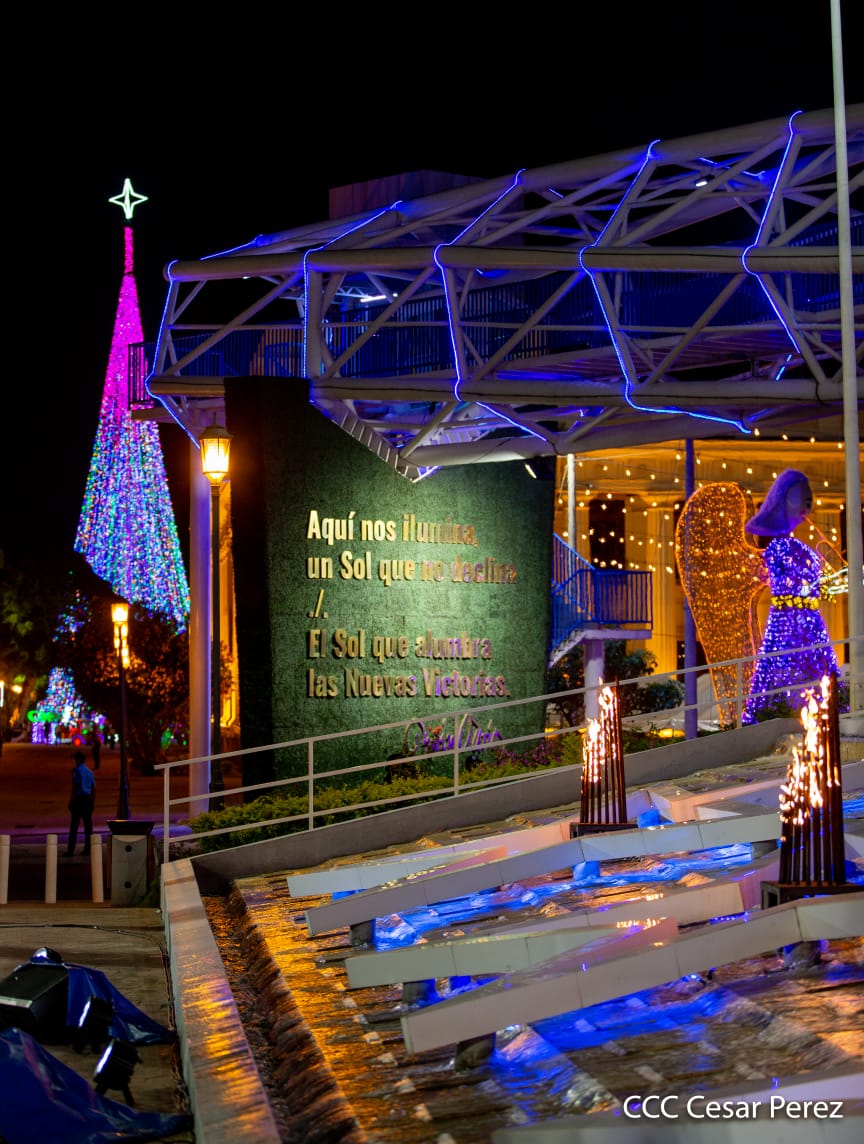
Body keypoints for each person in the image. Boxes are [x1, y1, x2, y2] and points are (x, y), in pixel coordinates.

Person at [742, 469, 839, 723]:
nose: (808, 504)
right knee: (784, 664)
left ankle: (827, 706)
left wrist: (825, 582)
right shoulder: (777, 547)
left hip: (811, 619)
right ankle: (777, 710)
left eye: (809, 500)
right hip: (787, 618)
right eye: (801, 498)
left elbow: (813, 578)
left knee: (818, 666)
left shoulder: (800, 546)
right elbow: (785, 578)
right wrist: (811, 583)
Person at [64, 750, 96, 857]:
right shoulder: (89, 771)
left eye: (75, 759)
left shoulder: (77, 771)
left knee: (74, 826)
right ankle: (88, 848)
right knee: (88, 826)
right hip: (88, 799)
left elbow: (75, 786)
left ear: (78, 760)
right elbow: (93, 788)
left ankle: (71, 849)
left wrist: (71, 801)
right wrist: (92, 801)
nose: (74, 761)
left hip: (79, 799)